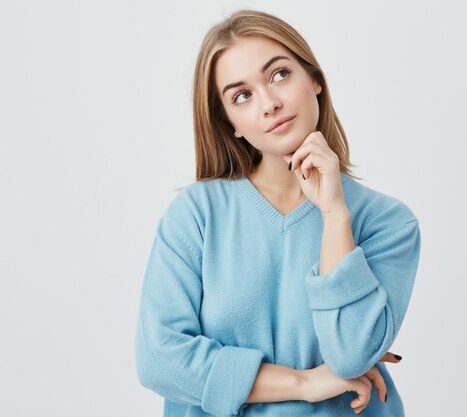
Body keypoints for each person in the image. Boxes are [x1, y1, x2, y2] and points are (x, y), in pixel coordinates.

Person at [134, 8, 421, 417]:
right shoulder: (196, 215)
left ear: (315, 79)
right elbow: (159, 359)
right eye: (242, 96)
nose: (269, 103)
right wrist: (304, 383)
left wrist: (334, 214)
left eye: (279, 74)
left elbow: (352, 355)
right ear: (230, 122)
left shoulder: (388, 224)